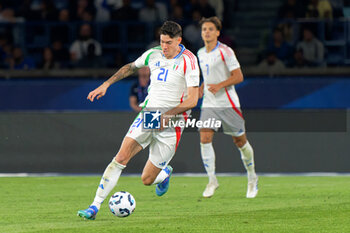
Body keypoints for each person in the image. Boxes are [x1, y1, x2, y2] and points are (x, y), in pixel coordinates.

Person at [78, 21, 200, 220]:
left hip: (173, 124)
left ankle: (164, 174)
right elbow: (130, 67)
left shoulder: (189, 61)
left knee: (147, 179)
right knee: (120, 158)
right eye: (162, 42)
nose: (164, 47)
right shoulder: (153, 54)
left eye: (169, 43)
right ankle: (94, 206)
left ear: (179, 40)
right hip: (150, 115)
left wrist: (168, 115)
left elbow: (193, 100)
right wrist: (106, 84)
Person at [197, 17, 258, 198]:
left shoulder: (225, 51)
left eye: (210, 29)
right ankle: (211, 180)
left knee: (240, 142)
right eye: (204, 29)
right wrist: (202, 87)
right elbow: (208, 76)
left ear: (217, 32)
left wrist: (220, 85)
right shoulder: (200, 53)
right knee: (205, 137)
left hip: (228, 103)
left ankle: (252, 177)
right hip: (209, 103)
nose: (206, 32)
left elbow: (238, 76)